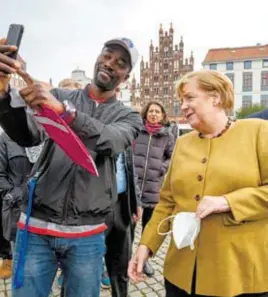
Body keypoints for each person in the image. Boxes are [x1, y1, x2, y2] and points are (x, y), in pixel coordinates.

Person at [0, 37, 142, 297]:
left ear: (127, 76)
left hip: (87, 233)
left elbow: (110, 140)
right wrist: (2, 96)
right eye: (107, 55)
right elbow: (28, 135)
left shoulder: (129, 116)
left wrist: (66, 114)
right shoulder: (60, 95)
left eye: (120, 63)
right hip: (36, 227)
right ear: (98, 56)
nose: (110, 64)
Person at [128, 70, 268, 297]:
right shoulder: (182, 143)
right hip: (181, 273)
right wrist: (145, 246)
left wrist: (227, 202)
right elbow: (167, 202)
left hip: (239, 275)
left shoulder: (259, 132)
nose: (182, 106)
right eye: (181, 100)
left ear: (217, 97)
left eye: (190, 98)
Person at [133, 100, 175, 277]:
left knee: (148, 226)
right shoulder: (137, 132)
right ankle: (125, 258)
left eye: (157, 111)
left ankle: (145, 259)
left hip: (153, 187)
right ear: (146, 113)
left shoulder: (167, 136)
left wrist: (162, 168)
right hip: (134, 187)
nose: (154, 114)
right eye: (151, 111)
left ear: (162, 115)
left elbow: (172, 157)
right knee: (129, 225)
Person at [0, 132, 43, 278]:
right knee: (22, 260)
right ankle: (9, 259)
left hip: (46, 208)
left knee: (42, 260)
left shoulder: (50, 134)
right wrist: (17, 194)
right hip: (17, 208)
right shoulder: (5, 138)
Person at [104, 145, 142, 297]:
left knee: (121, 262)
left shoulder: (123, 129)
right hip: (94, 206)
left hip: (122, 205)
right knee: (85, 267)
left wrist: (136, 201)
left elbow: (129, 169)